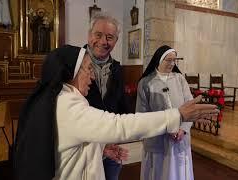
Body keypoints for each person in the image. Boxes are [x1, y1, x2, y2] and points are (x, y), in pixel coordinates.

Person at [14, 44, 218, 180]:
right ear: (70, 74)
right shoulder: (68, 105)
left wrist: (100, 149)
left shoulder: (60, 99)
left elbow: (68, 142)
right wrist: (177, 115)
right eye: (87, 69)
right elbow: (119, 125)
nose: (92, 76)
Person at [136, 45, 194, 180]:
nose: (172, 63)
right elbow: (142, 114)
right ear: (159, 60)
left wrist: (183, 130)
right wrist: (165, 128)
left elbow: (190, 107)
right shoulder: (146, 82)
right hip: (157, 139)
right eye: (169, 60)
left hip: (179, 139)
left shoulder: (180, 79)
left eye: (175, 60)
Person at [84, 12, 130, 180]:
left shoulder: (117, 69)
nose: (103, 41)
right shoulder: (71, 62)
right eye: (98, 35)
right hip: (83, 147)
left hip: (111, 144)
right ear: (89, 36)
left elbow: (122, 105)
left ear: (116, 41)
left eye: (110, 37)